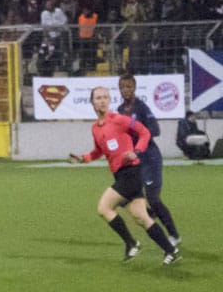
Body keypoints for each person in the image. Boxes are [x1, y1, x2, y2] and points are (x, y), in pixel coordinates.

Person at [69, 87, 180, 264]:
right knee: (140, 217)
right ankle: (170, 250)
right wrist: (84, 158)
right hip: (120, 176)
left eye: (105, 97)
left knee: (104, 208)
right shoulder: (95, 128)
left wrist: (137, 151)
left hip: (131, 174)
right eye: (98, 98)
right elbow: (98, 151)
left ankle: (131, 243)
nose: (102, 100)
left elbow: (145, 132)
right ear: (92, 102)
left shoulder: (119, 120)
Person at [116, 74, 181, 246]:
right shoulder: (120, 110)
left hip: (149, 158)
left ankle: (174, 235)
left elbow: (155, 130)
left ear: (135, 88)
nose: (126, 90)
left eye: (129, 87)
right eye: (123, 87)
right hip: (133, 161)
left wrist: (137, 137)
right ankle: (151, 217)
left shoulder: (142, 108)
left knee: (153, 199)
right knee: (124, 197)